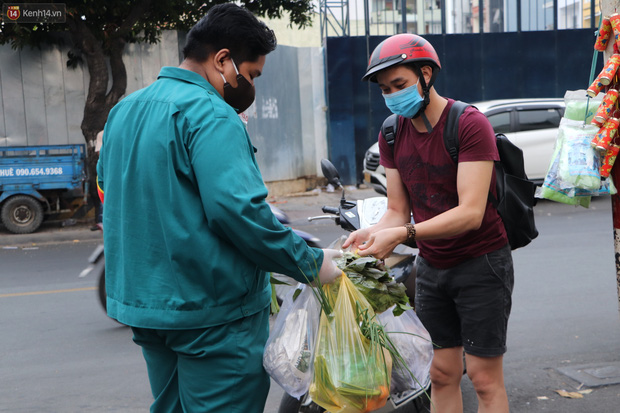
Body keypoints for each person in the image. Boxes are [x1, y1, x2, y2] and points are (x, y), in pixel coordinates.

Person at [96, 4, 342, 413]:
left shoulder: (124, 111)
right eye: (253, 74)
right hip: (211, 314)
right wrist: (312, 263)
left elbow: (109, 189)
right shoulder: (212, 114)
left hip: (146, 308)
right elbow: (239, 213)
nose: (251, 86)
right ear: (223, 60)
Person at [343, 33, 514, 413]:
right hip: (433, 268)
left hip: (481, 263)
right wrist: (372, 233)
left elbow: (470, 213)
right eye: (385, 89)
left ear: (425, 74)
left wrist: (404, 234)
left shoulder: (468, 124)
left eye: (399, 85)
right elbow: (397, 210)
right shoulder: (391, 132)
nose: (391, 95)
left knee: (485, 380)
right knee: (440, 373)